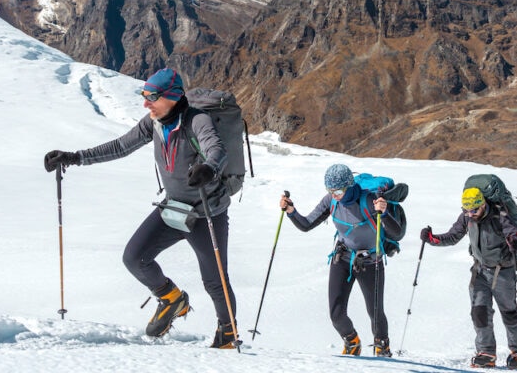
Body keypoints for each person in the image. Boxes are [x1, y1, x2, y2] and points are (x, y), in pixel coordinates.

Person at [43, 68, 239, 349]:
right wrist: (75, 157)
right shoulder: (154, 123)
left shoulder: (198, 120)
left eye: (151, 97)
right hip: (173, 209)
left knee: (215, 281)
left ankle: (228, 336)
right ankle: (172, 298)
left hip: (206, 212)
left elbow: (216, 149)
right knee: (135, 257)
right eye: (144, 96)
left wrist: (209, 167)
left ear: (171, 97)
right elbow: (122, 146)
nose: (145, 103)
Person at [280, 164, 400, 357]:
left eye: (337, 190)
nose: (334, 194)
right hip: (342, 258)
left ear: (349, 185)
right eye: (330, 190)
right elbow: (307, 224)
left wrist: (383, 213)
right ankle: (352, 342)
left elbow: (396, 232)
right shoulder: (331, 201)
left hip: (370, 261)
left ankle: (382, 347)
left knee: (375, 312)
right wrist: (291, 211)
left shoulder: (370, 200)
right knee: (336, 314)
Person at [420, 186, 517, 369]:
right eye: (466, 210)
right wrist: (432, 239)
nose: (470, 214)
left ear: (483, 204)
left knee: (509, 312)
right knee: (479, 312)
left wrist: (516, 244)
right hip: (480, 271)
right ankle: (486, 352)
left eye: (474, 210)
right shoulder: (466, 217)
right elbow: (453, 236)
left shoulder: (500, 216)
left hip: (503, 271)